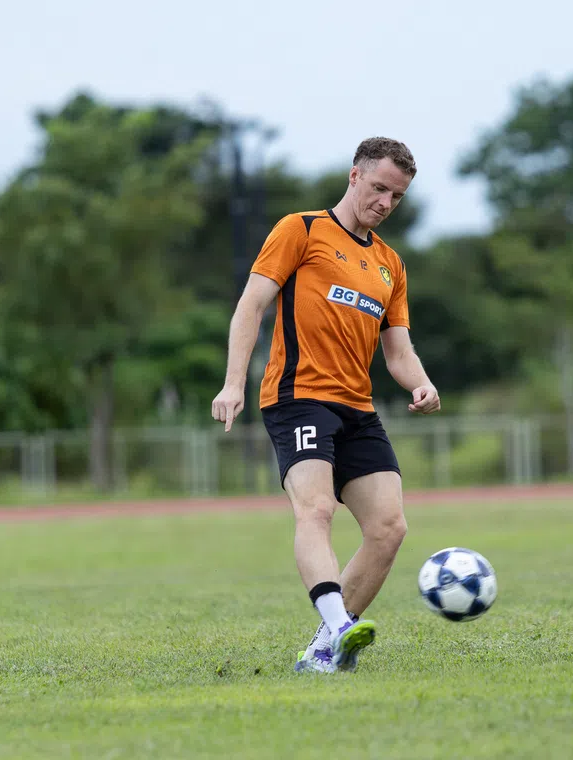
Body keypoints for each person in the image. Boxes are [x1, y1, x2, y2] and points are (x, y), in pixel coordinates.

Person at [211, 137, 440, 674]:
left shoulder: (390, 265)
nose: (385, 203)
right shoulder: (302, 229)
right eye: (379, 188)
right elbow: (251, 306)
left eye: (397, 196)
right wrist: (232, 383)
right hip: (297, 398)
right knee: (315, 509)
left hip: (357, 407)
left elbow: (398, 350)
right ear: (354, 176)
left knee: (389, 528)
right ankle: (339, 623)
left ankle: (322, 648)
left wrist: (421, 384)